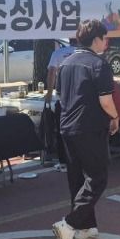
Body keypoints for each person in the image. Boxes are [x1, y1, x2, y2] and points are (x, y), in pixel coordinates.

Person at [51, 21, 118, 239]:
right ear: (96, 39)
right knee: (97, 178)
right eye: (104, 37)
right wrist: (115, 117)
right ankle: (68, 224)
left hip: (67, 127)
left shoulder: (66, 63)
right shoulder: (98, 64)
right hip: (89, 128)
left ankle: (85, 227)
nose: (106, 42)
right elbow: (106, 101)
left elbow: (60, 97)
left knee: (77, 178)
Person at [44, 38, 78, 168]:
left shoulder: (58, 53)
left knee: (62, 131)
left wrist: (49, 92)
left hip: (63, 97)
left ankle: (64, 162)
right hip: (80, 97)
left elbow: (52, 73)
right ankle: (79, 161)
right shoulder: (84, 53)